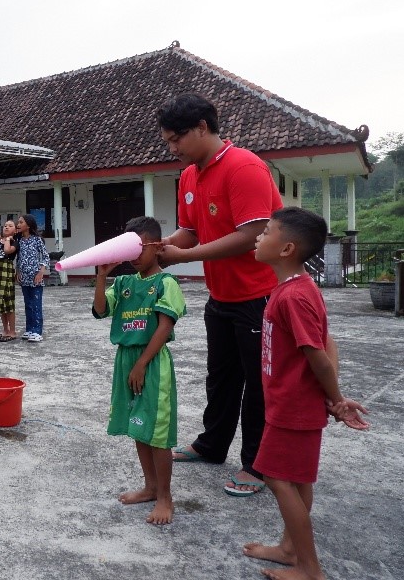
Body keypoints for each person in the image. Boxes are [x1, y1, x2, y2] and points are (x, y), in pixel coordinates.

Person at [156, 93, 283, 496]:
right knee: (221, 375)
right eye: (168, 141)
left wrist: (185, 256)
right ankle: (212, 446)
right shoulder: (191, 175)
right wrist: (160, 246)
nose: (172, 148)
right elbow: (190, 230)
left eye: (177, 139)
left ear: (203, 128)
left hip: (260, 294)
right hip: (222, 294)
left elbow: (252, 235)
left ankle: (259, 465)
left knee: (259, 383)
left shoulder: (243, 167)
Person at [244, 207, 369, 580]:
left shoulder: (293, 297)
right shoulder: (294, 289)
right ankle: (289, 548)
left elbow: (318, 355)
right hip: (292, 403)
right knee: (298, 479)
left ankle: (309, 568)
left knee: (275, 478)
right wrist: (332, 399)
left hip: (292, 407)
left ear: (287, 249)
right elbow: (326, 341)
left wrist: (338, 399)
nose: (258, 237)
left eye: (266, 232)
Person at [92, 216, 186, 525]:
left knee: (157, 432)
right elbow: (101, 311)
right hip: (126, 359)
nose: (134, 256)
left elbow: (164, 327)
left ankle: (165, 497)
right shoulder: (123, 283)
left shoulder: (166, 284)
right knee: (138, 425)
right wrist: (102, 277)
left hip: (152, 362)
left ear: (158, 247)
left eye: (140, 248)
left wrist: (143, 364)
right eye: (128, 249)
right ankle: (149, 487)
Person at [4, 214, 49, 342]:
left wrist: (41, 272)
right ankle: (29, 329)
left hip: (35, 277)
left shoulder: (37, 240)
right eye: (18, 222)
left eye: (21, 222)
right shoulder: (20, 241)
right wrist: (17, 271)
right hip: (24, 278)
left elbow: (45, 257)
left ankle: (37, 331)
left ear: (28, 225)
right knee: (28, 304)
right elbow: (19, 258)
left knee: (36, 304)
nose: (18, 225)